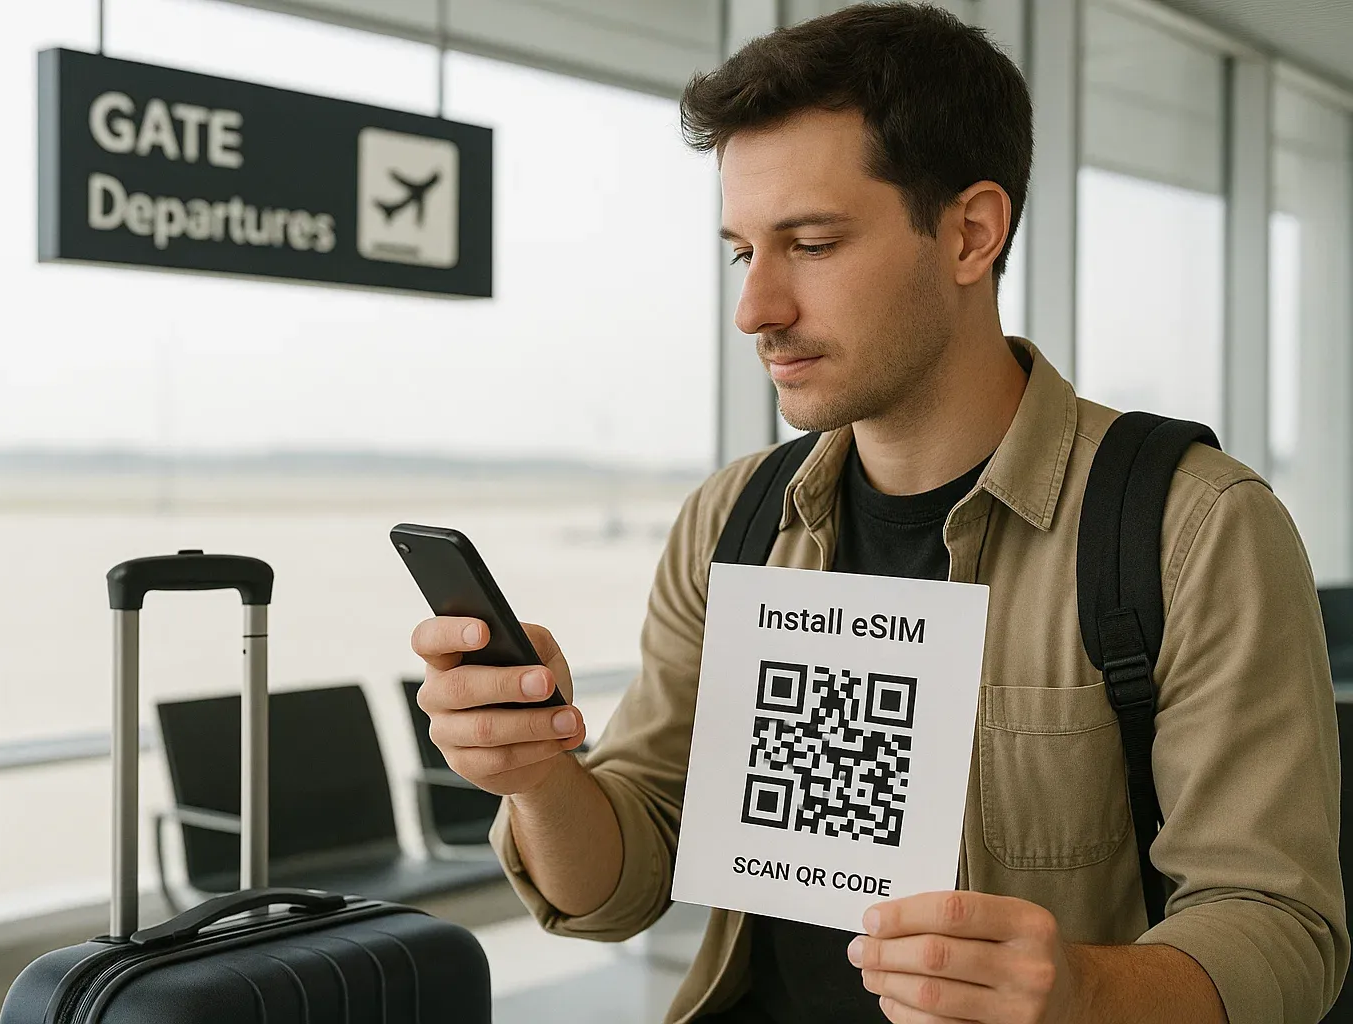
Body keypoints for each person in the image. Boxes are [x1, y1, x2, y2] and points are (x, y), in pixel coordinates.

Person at [408, 4, 1348, 1021]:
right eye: (743, 252)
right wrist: (539, 775)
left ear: (970, 234)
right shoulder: (734, 520)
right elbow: (621, 884)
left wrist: (1082, 991)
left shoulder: (1192, 528)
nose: (755, 310)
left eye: (809, 244)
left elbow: (1281, 929)